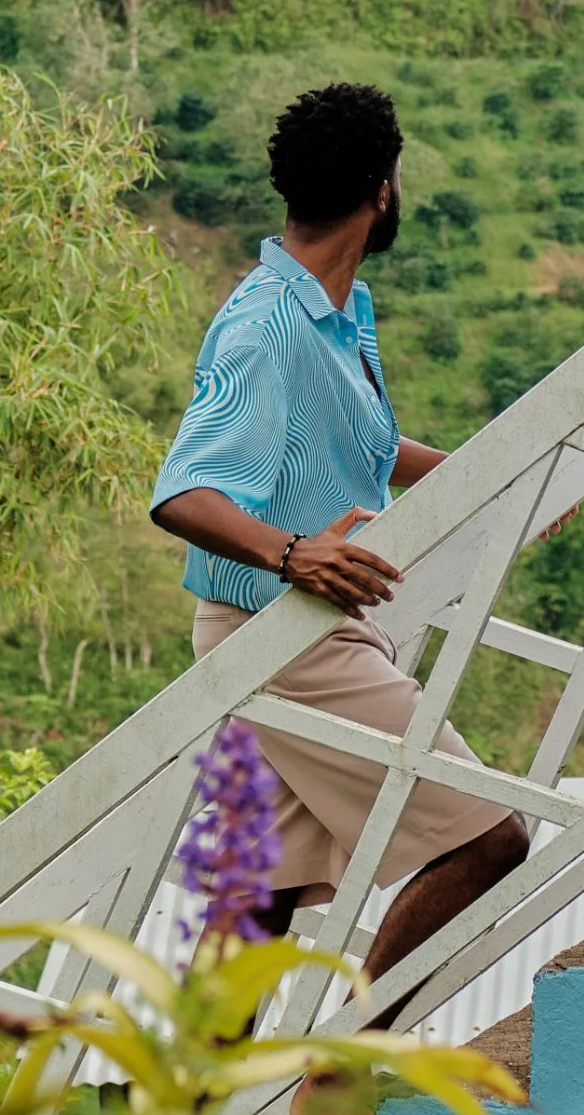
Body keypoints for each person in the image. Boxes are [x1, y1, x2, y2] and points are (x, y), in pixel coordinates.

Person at [150, 79, 527, 1015]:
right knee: (491, 837)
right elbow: (182, 491)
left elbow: (356, 444)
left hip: (309, 625)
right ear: (383, 189)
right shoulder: (267, 324)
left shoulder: (338, 308)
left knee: (258, 903)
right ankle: (346, 1075)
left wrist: (484, 476)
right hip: (283, 632)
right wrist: (293, 554)